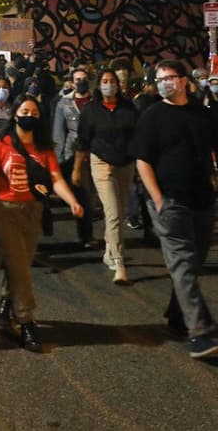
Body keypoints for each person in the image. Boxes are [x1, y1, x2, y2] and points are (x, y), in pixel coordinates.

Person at [131, 59, 218, 359]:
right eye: (159, 79)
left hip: (202, 200)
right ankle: (200, 333)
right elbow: (142, 159)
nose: (163, 83)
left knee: (193, 264)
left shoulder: (203, 114)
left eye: (169, 77)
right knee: (182, 263)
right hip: (169, 201)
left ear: (184, 80)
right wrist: (156, 198)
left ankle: (177, 314)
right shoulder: (152, 115)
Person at [0, 96, 84, 352]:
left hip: (33, 211)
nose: (29, 116)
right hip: (5, 212)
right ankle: (26, 320)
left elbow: (56, 178)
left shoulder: (44, 149)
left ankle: (6, 297)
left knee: (20, 263)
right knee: (19, 266)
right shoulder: (1, 147)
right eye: (25, 111)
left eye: (34, 112)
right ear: (15, 115)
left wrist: (72, 202)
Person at [76, 68, 139, 284]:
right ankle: (119, 263)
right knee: (112, 212)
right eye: (105, 81)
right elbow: (82, 140)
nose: (109, 84)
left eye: (112, 81)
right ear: (98, 85)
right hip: (101, 163)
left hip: (125, 164)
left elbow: (137, 136)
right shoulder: (91, 110)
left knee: (119, 213)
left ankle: (108, 251)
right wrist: (76, 169)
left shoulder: (129, 108)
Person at [53, 67, 96, 249]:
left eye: (84, 79)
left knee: (93, 194)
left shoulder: (95, 102)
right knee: (82, 195)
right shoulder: (64, 103)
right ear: (72, 81)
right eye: (78, 79)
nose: (81, 82)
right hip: (72, 152)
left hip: (95, 151)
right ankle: (86, 235)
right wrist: (58, 160)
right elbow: (58, 132)